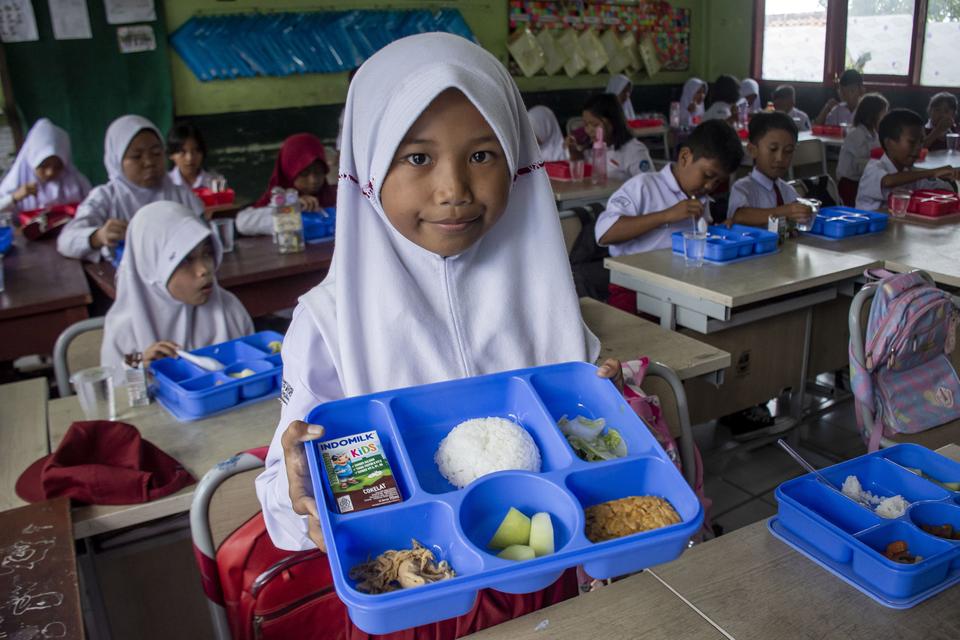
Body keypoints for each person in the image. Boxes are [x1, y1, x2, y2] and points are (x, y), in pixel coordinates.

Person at [255, 32, 622, 636]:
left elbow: (584, 436)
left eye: (482, 155)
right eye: (417, 158)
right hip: (422, 600)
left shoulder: (546, 295)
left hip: (557, 591)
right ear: (369, 167)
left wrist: (609, 408)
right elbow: (282, 500)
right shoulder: (329, 320)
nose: (453, 190)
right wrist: (299, 495)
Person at [595, 120, 742, 312]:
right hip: (635, 288)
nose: (709, 186)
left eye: (717, 182)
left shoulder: (702, 199)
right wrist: (666, 215)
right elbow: (605, 233)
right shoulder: (644, 186)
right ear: (684, 157)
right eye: (707, 175)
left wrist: (719, 231)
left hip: (682, 288)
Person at [100, 201, 253, 369]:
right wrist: (139, 369)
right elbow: (114, 384)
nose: (204, 269)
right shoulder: (124, 330)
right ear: (152, 267)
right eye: (186, 260)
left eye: (208, 254)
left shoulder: (229, 309)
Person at [57, 115, 204, 262]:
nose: (149, 162)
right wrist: (98, 236)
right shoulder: (105, 197)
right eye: (136, 156)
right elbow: (65, 241)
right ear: (117, 161)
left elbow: (206, 237)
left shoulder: (182, 195)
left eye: (156, 153)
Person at [856, 109, 958, 211]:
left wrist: (953, 177)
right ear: (888, 143)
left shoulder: (910, 173)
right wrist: (932, 172)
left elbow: (946, 188)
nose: (919, 147)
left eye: (921, 142)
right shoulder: (873, 168)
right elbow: (889, 181)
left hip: (899, 226)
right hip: (869, 226)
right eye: (912, 142)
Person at [235, 133, 337, 236]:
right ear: (288, 172)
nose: (313, 180)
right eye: (304, 173)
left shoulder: (336, 198)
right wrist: (290, 206)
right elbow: (242, 223)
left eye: (319, 172)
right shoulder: (279, 200)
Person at [727, 112, 812, 227]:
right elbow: (740, 216)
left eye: (788, 151)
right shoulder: (743, 188)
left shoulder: (787, 190)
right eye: (773, 149)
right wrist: (785, 211)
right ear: (752, 150)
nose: (780, 158)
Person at [0, 118, 90, 214]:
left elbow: (91, 205)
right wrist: (15, 197)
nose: (50, 172)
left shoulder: (76, 182)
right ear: (32, 160)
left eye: (58, 167)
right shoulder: (17, 181)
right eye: (43, 165)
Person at [565, 93, 653, 180]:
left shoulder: (633, 151)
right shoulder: (589, 148)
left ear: (613, 122)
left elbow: (649, 186)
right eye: (586, 125)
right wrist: (575, 153)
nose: (589, 130)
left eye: (595, 125)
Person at [836, 93, 888, 206]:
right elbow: (861, 165)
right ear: (872, 116)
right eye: (883, 115)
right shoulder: (856, 134)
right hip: (850, 184)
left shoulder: (875, 135)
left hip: (864, 181)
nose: (885, 119)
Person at [166, 123, 223, 189]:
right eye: (183, 152)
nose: (190, 158)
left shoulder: (216, 183)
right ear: (171, 155)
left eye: (196, 151)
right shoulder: (165, 184)